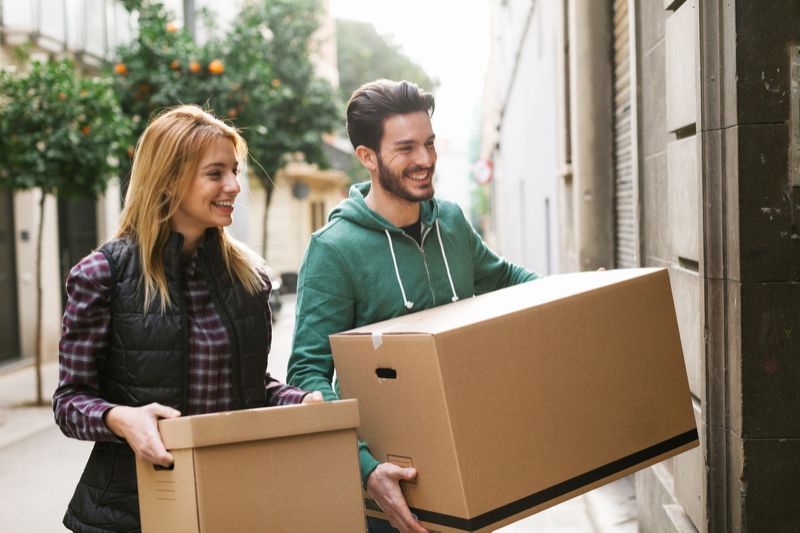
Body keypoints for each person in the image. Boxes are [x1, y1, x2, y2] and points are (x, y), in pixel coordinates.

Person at [53, 105, 322, 533]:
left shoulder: (248, 278)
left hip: (232, 505)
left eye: (234, 171)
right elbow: (69, 402)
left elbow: (251, 387)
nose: (234, 185)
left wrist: (301, 402)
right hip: (129, 514)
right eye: (215, 173)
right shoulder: (102, 275)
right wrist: (121, 419)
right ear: (168, 180)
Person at [287, 79, 540, 533]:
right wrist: (366, 470)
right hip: (391, 488)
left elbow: (503, 278)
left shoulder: (451, 222)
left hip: (475, 465)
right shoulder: (334, 249)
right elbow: (306, 374)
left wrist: (573, 294)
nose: (425, 160)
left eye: (429, 143)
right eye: (405, 148)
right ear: (367, 157)